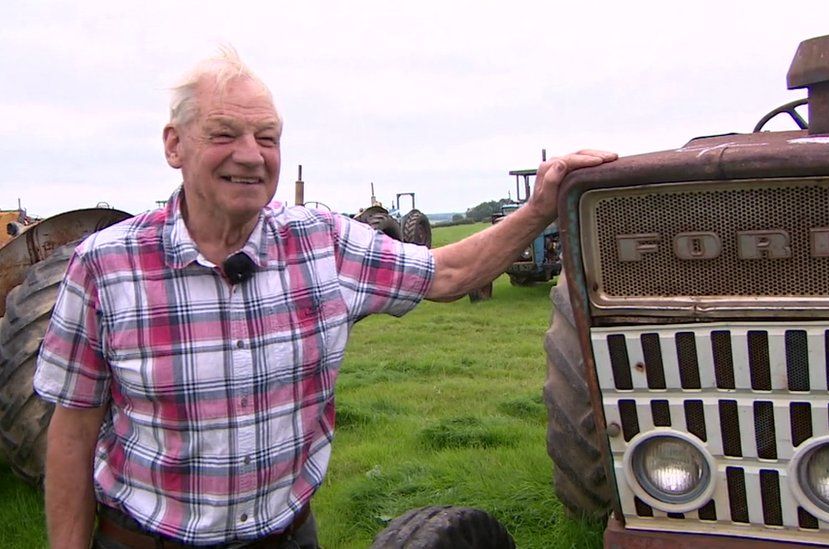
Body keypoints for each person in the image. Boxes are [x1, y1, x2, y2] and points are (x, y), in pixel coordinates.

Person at [34, 47, 616, 549]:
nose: (250, 154)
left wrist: (539, 209)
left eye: (267, 138)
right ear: (174, 145)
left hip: (286, 537)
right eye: (223, 134)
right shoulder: (106, 265)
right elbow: (73, 428)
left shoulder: (322, 242)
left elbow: (447, 272)